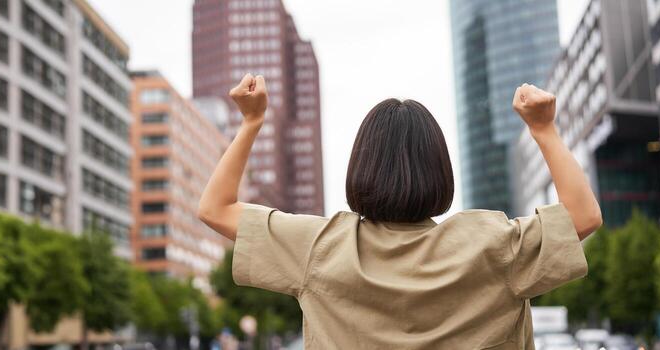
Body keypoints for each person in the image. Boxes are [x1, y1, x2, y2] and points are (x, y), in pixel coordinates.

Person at [199, 74, 602, 349]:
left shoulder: (317, 248)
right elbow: (582, 217)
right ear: (440, 170)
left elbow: (215, 208)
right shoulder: (493, 246)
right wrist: (543, 129)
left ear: (362, 166)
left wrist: (252, 122)